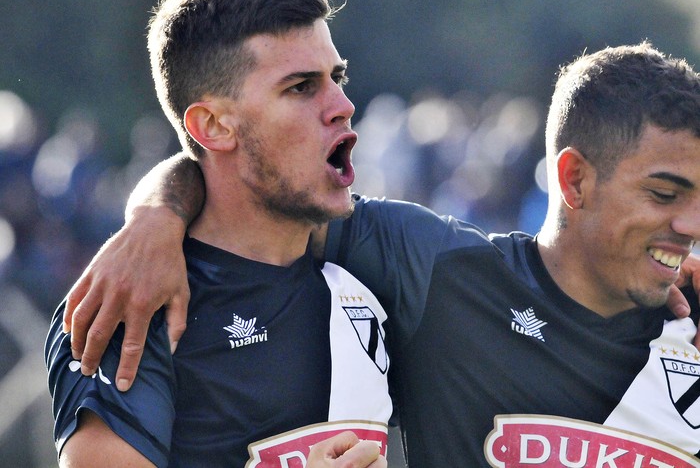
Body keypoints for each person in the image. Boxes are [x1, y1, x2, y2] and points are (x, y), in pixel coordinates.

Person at [60, 42, 700, 466]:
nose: (691, 223)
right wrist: (155, 218)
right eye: (665, 194)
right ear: (575, 180)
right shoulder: (432, 271)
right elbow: (248, 185)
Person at [45, 0, 393, 468]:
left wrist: (157, 211)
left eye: (336, 78)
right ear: (213, 125)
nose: (343, 105)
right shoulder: (131, 302)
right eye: (300, 87)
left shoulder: (382, 259)